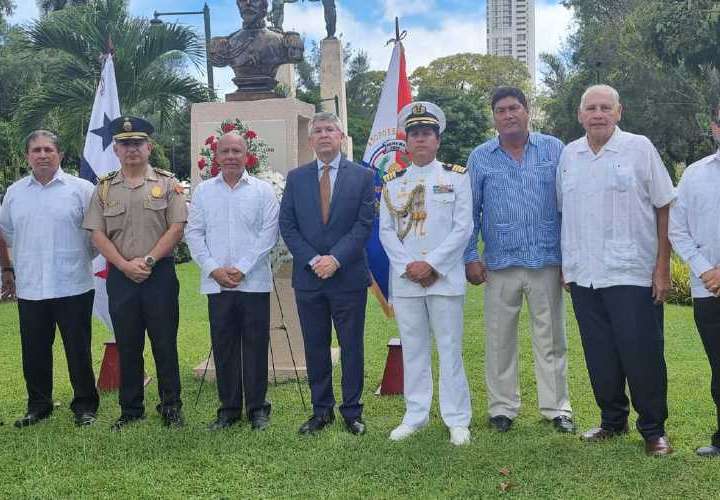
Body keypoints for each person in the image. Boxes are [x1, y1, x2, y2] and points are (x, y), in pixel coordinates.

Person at [557, 85, 675, 456]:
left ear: (619, 112)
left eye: (605, 107)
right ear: (580, 115)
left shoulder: (639, 148)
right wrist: (567, 266)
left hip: (632, 272)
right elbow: (566, 213)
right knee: (600, 354)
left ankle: (654, 430)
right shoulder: (569, 154)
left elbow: (664, 207)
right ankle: (612, 420)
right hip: (585, 274)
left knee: (642, 353)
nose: (597, 114)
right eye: (590, 108)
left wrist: (662, 268)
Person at [463, 87, 574, 434]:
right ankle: (502, 409)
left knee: (552, 338)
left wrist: (569, 258)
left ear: (528, 111)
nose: (508, 115)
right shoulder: (480, 157)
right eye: (500, 110)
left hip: (546, 260)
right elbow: (470, 212)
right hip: (499, 263)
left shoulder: (554, 149)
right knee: (499, 339)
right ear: (494, 117)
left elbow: (568, 206)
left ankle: (557, 409)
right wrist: (470, 256)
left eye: (514, 108)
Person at [83, 116, 187, 431]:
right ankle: (131, 409)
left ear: (149, 147)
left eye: (137, 143)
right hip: (121, 275)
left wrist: (150, 260)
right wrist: (125, 265)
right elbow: (96, 234)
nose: (132, 149)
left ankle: (171, 406)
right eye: (125, 144)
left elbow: (177, 227)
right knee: (127, 343)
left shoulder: (169, 184)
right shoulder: (103, 189)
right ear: (115, 149)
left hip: (159, 275)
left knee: (164, 343)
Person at [380, 101, 474, 445]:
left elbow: (463, 228)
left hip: (443, 278)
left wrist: (431, 264)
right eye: (414, 134)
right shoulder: (393, 182)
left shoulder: (457, 177)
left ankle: (457, 418)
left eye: (427, 134)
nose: (420, 140)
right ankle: (415, 415)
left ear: (437, 140)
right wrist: (410, 267)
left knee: (450, 348)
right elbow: (386, 231)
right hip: (406, 280)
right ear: (406, 141)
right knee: (414, 348)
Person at [279, 112, 374, 436]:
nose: (323, 135)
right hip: (309, 279)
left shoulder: (362, 177)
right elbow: (288, 226)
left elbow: (364, 225)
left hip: (347, 277)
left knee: (351, 346)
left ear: (341, 136)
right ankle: (321, 411)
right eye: (317, 131)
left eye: (329, 129)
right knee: (315, 346)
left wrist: (335, 259)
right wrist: (312, 260)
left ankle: (352, 411)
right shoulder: (296, 178)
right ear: (310, 140)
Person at [0, 130, 99, 428]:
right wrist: (8, 271)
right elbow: (7, 233)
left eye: (48, 149)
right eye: (36, 150)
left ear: (60, 155)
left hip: (73, 283)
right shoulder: (15, 192)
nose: (42, 155)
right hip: (31, 286)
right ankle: (39, 405)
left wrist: (75, 260)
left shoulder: (82, 189)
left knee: (77, 349)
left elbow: (96, 239)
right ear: (28, 156)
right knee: (34, 350)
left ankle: (85, 405)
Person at [185, 131, 279, 431]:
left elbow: (269, 234)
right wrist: (214, 269)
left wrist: (241, 268)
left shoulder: (263, 191)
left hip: (253, 283)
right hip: (218, 284)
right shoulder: (202, 192)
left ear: (246, 154)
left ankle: (257, 409)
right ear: (217, 156)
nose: (230, 156)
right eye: (225, 151)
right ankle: (228, 409)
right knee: (223, 346)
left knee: (255, 346)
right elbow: (194, 233)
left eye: (236, 151)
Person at [669, 101, 720, 457]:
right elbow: (678, 228)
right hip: (709, 287)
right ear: (713, 127)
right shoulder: (695, 174)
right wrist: (706, 269)